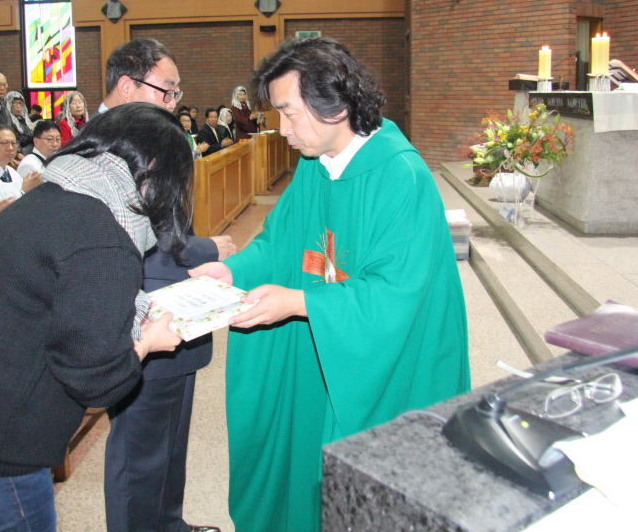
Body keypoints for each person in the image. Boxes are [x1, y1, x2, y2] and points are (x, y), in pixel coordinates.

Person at [190, 37, 470, 532]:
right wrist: (234, 271)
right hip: (320, 348)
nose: (282, 129)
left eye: (289, 113)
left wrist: (301, 302)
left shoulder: (400, 176)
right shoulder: (315, 166)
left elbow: (395, 295)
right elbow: (279, 242)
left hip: (380, 368)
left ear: (336, 107)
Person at [0, 104, 187, 532]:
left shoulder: (54, 196)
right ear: (156, 173)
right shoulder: (102, 237)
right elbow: (96, 378)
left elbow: (61, 305)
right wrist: (149, 341)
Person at [99, 38, 232, 532]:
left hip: (177, 307)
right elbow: (139, 236)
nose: (174, 104)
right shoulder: (102, 145)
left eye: (177, 93)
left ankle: (167, 523)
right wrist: (209, 248)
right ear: (127, 85)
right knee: (139, 445)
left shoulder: (142, 133)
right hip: (141, 312)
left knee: (170, 436)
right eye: (167, 91)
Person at [5, 90, 33, 154]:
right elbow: (16, 139)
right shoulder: (7, 121)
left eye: (20, 103)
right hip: (18, 152)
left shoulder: (24, 119)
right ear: (9, 105)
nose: (18, 106)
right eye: (15, 103)